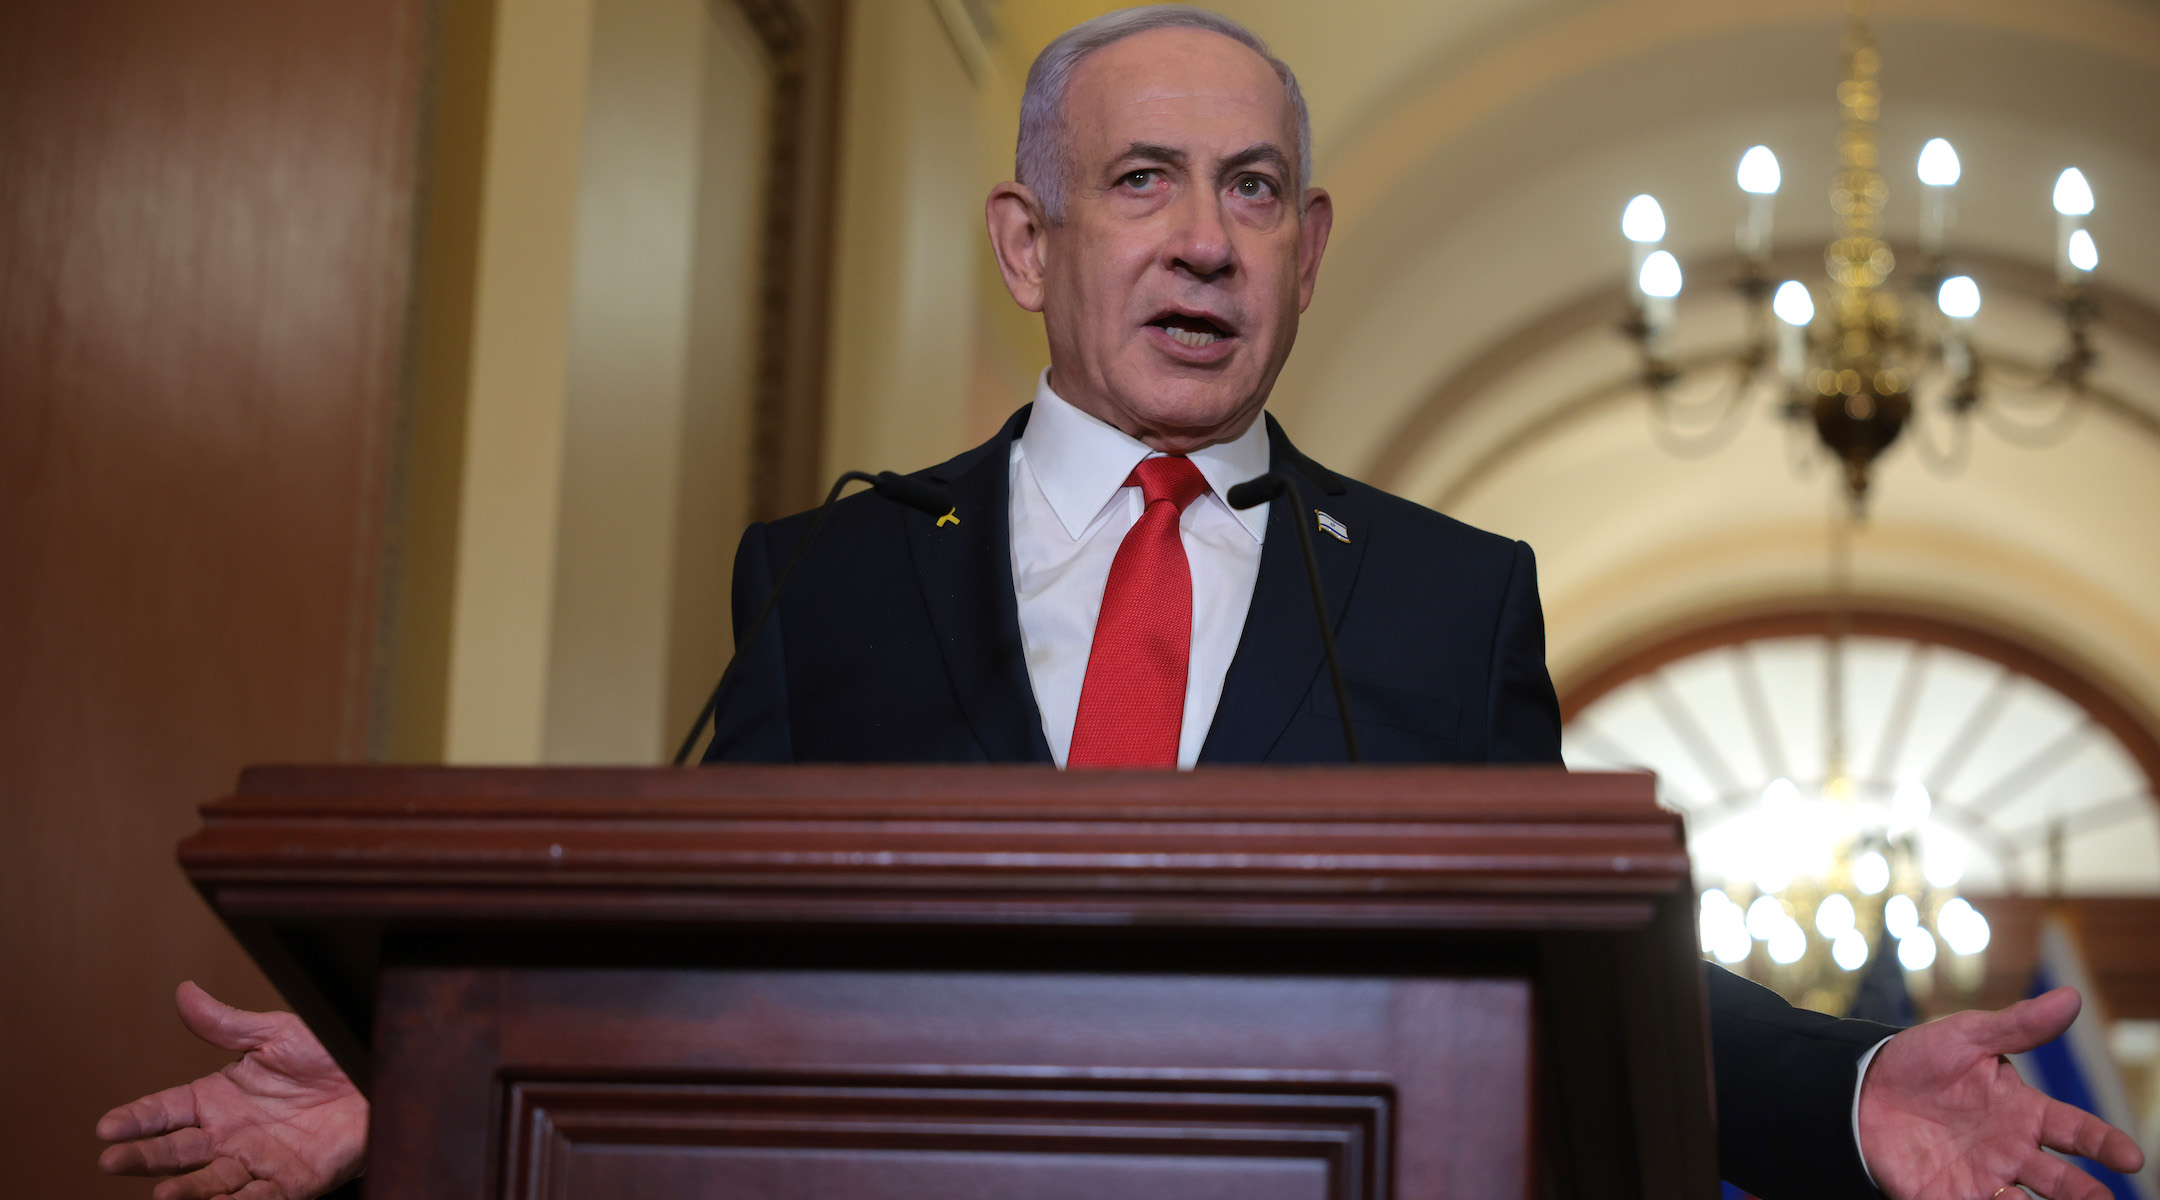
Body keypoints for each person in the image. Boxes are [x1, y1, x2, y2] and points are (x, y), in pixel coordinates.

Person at [98, 9, 2143, 1200]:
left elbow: (1587, 986)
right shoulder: (831, 575)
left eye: (1252, 190)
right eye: (1144, 182)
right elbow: (689, 954)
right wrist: (422, 1080)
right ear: (1027, 240)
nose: (1203, 241)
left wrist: (1848, 1089)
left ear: (1310, 247)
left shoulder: (1445, 602)